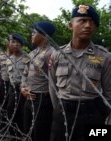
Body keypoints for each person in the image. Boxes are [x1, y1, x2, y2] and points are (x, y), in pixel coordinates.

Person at [48, 4, 111, 141]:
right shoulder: (57, 54)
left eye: (92, 22)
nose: (88, 25)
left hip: (92, 114)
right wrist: (58, 107)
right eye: (82, 21)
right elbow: (52, 85)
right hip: (63, 113)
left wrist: (101, 114)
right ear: (71, 25)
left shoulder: (104, 56)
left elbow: (109, 91)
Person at [21, 21, 56, 141]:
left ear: (44, 36)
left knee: (40, 133)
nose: (31, 35)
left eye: (34, 33)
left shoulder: (51, 54)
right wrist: (22, 88)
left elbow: (54, 80)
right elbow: (25, 74)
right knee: (27, 131)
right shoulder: (32, 54)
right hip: (28, 96)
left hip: (42, 99)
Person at [5, 33, 29, 140]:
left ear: (21, 45)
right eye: (12, 42)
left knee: (23, 115)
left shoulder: (28, 58)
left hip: (23, 90)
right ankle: (13, 135)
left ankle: (22, 135)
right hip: (12, 89)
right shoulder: (9, 59)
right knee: (10, 112)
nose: (15, 45)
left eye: (17, 43)